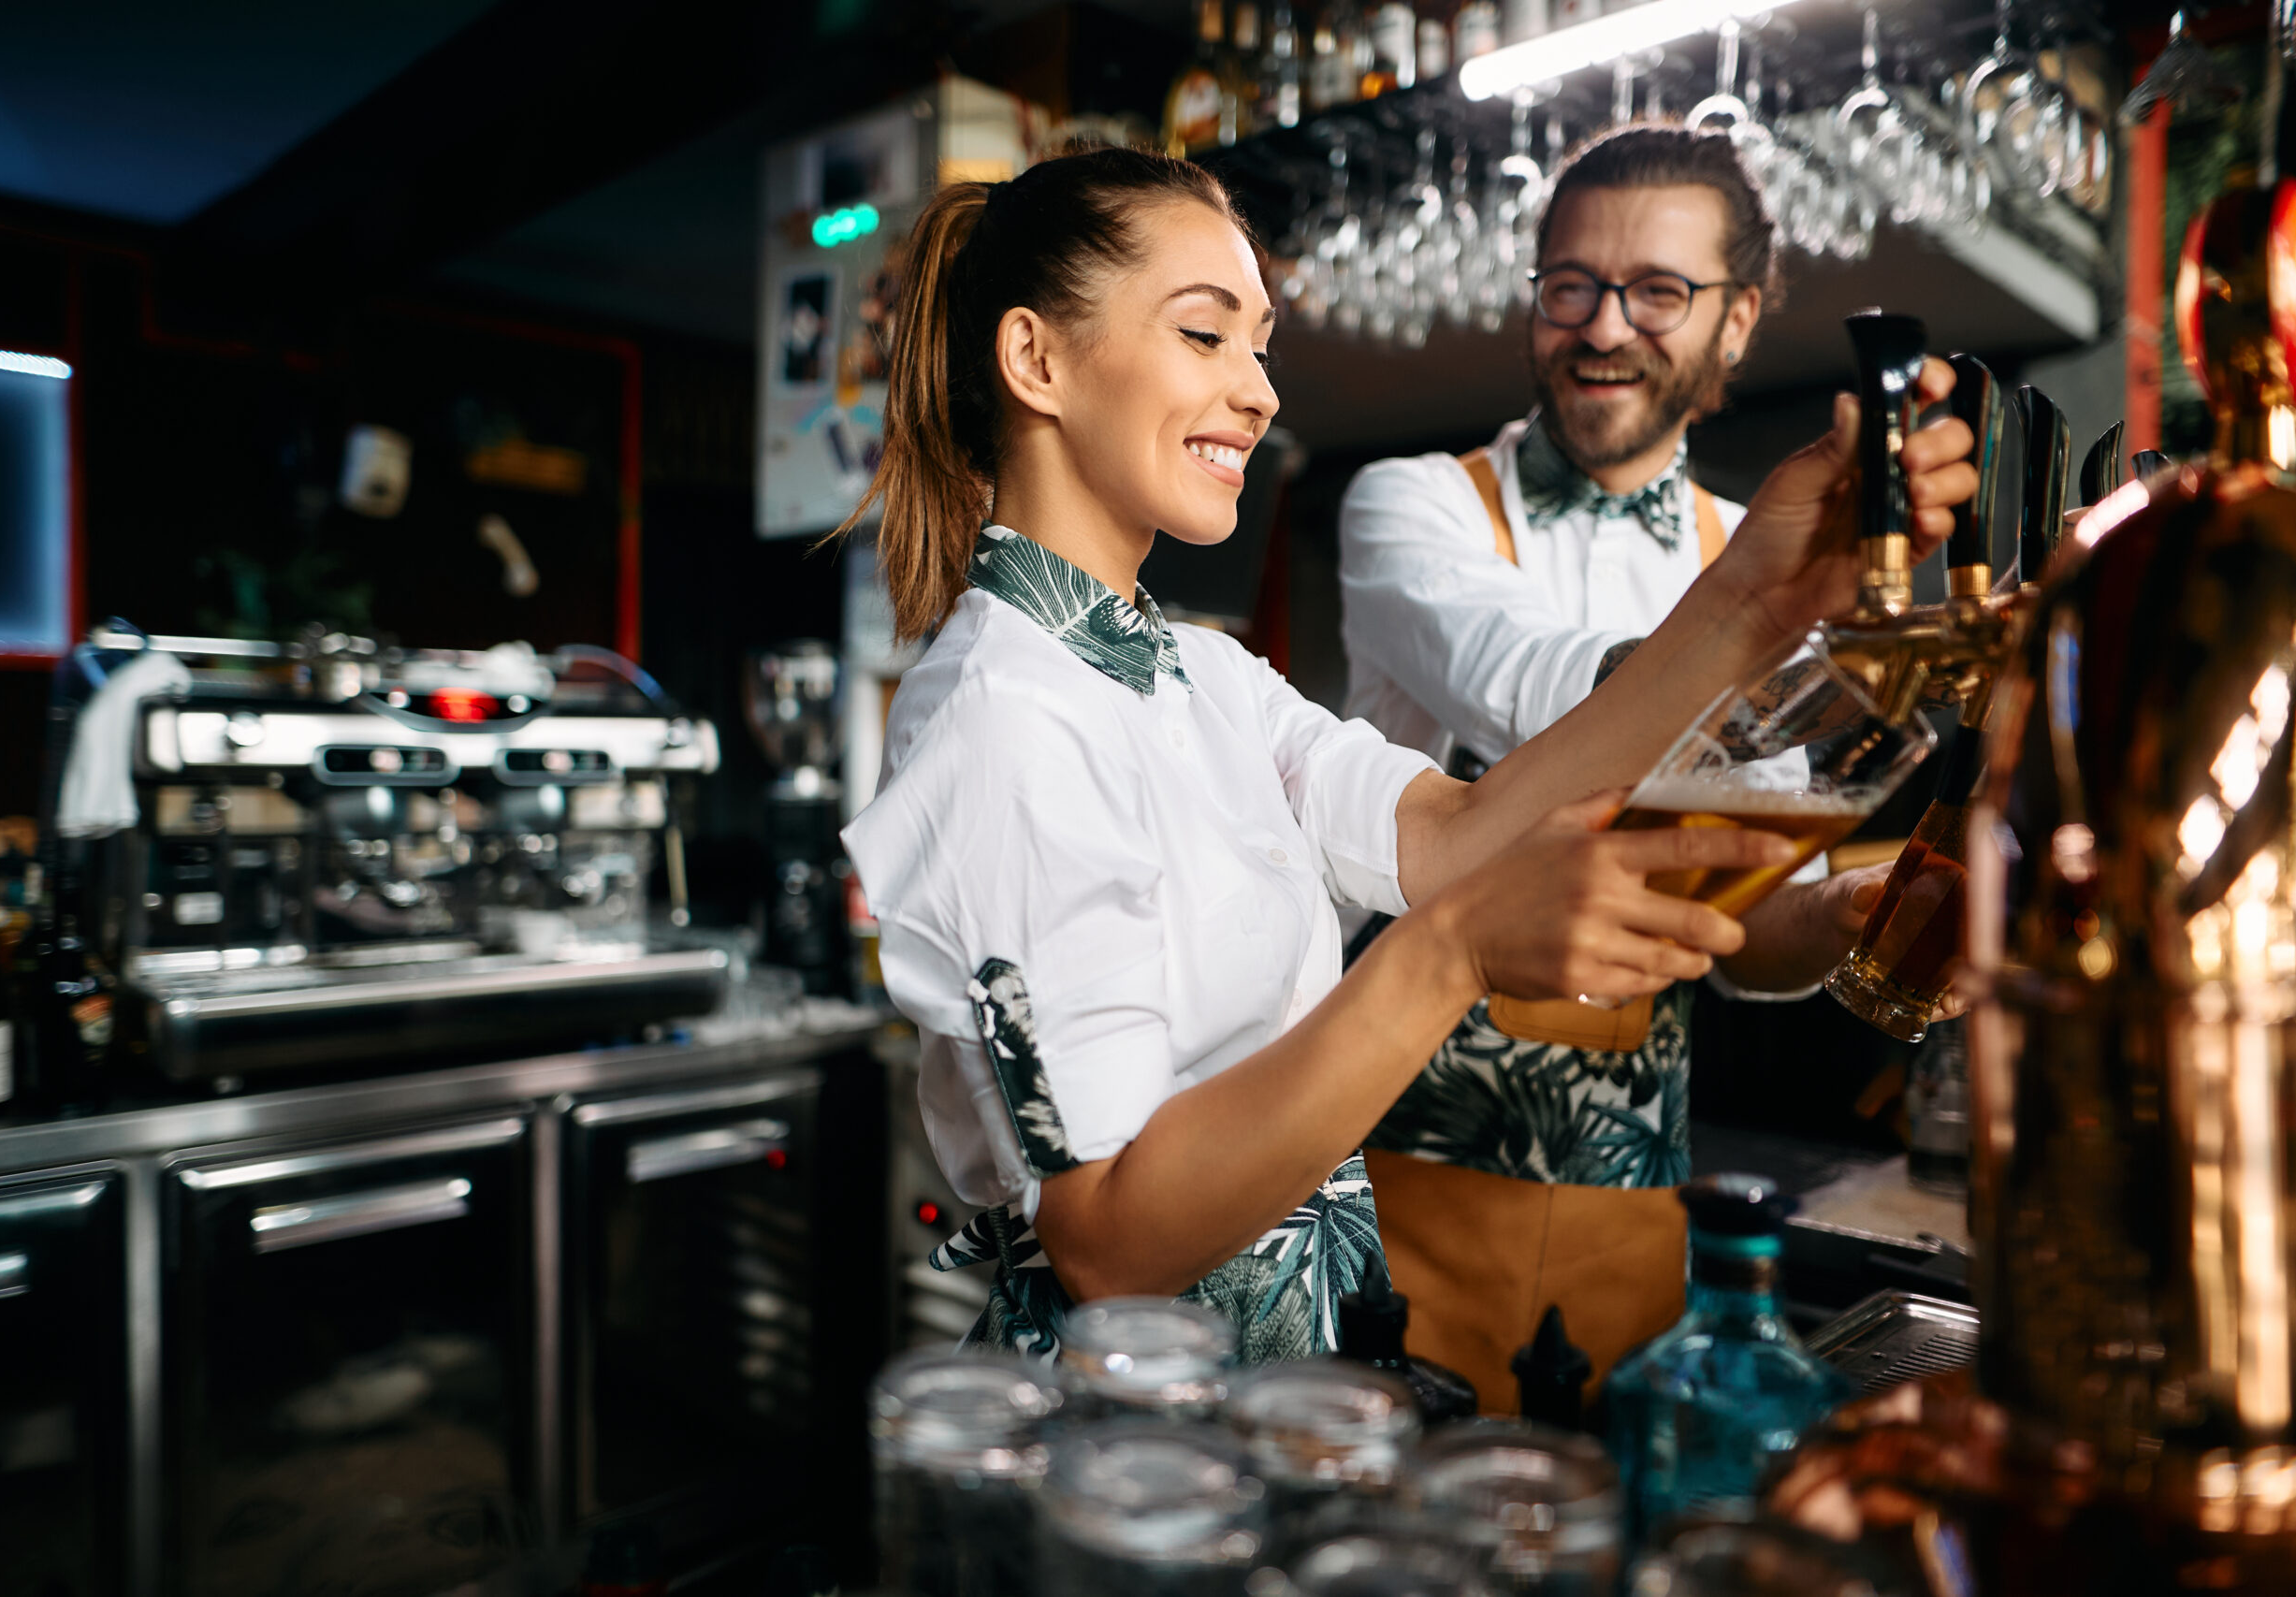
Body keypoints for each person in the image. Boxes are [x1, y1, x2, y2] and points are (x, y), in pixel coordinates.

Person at [839, 143, 1973, 1363]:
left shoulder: (1200, 673)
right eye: (1207, 336)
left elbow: (1448, 837)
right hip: (1133, 1454)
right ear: (1036, 360)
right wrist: (1455, 949)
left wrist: (1756, 598)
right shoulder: (1001, 715)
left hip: (1288, 1401)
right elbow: (1106, 1242)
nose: (1262, 392)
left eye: (1260, 343)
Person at [1336, 125, 1904, 1406]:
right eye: (1570, 285)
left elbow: (1733, 924)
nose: (1603, 327)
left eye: (1658, 291)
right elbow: (1536, 688)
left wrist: (1837, 916)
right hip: (1387, 1178)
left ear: (1740, 320)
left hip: (1637, 1207)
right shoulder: (1410, 507)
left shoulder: (1750, 548)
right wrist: (1759, 618)